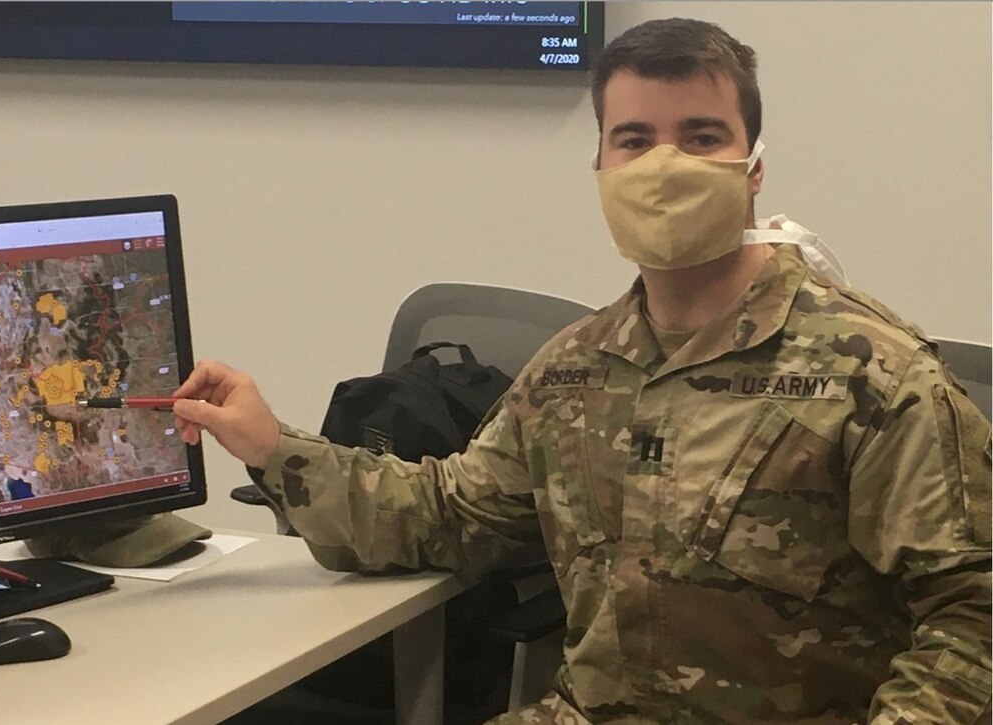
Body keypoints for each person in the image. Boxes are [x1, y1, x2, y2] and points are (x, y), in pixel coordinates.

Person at [172, 18, 992, 725]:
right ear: (600, 165)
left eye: (702, 137)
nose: (664, 166)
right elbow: (448, 516)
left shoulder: (873, 376)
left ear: (754, 168)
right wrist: (272, 446)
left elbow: (973, 619)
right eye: (635, 140)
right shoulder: (572, 371)